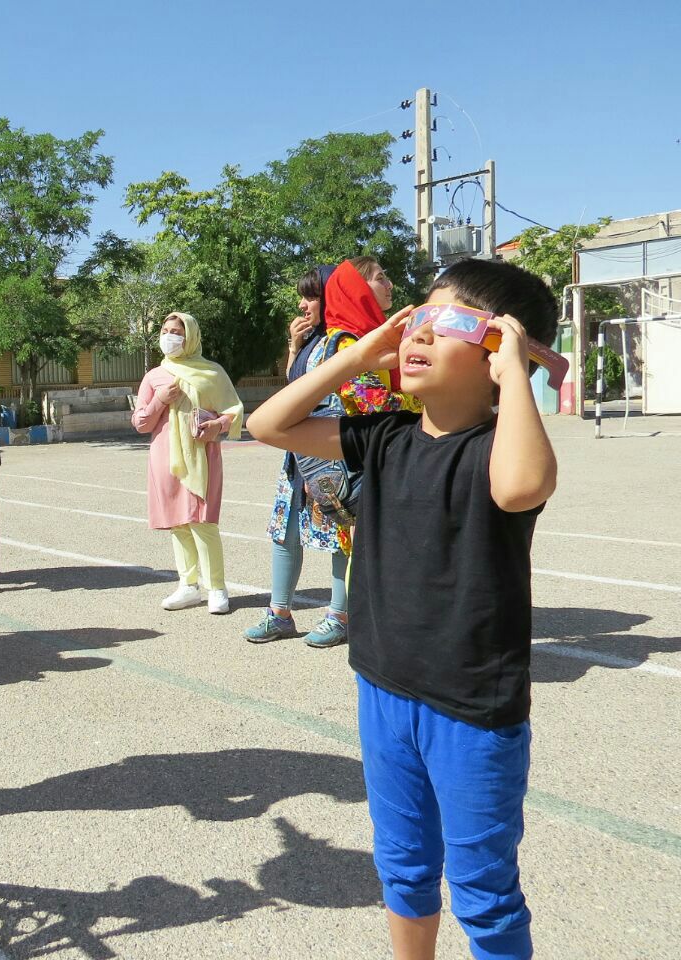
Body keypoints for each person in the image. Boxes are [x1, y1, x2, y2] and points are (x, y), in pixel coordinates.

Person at [247, 258, 560, 960]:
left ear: (497, 351)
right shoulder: (383, 434)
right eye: (415, 316)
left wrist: (516, 380)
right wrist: (357, 354)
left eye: (446, 322)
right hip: (383, 687)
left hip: (473, 710)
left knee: (484, 889)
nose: (416, 332)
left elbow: (522, 487)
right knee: (403, 867)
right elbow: (268, 424)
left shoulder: (500, 448)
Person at [245, 256, 415, 647]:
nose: (303, 306)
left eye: (311, 297)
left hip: (337, 451)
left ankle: (339, 613)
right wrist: (293, 347)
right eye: (379, 278)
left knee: (343, 532)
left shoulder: (351, 340)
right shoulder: (330, 343)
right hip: (312, 454)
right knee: (288, 533)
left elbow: (364, 401)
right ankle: (281, 612)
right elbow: (295, 393)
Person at [132, 311, 243, 615]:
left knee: (203, 523)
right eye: (166, 330)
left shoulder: (212, 372)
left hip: (201, 456)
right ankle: (188, 585)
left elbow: (234, 409)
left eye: (177, 332)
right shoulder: (155, 375)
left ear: (190, 336)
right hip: (164, 457)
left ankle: (217, 588)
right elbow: (140, 422)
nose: (169, 337)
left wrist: (218, 425)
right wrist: (160, 400)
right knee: (178, 524)